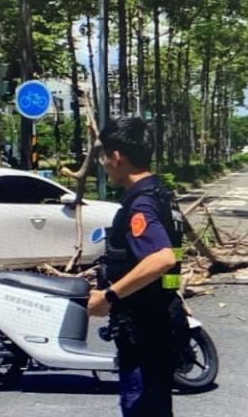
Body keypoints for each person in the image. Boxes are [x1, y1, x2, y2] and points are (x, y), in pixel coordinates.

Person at [87, 117, 190, 417]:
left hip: (145, 328)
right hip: (162, 317)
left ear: (117, 156)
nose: (103, 164)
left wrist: (108, 296)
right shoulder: (162, 194)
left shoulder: (141, 205)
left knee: (142, 406)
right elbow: (174, 257)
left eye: (104, 156)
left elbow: (163, 258)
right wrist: (174, 295)